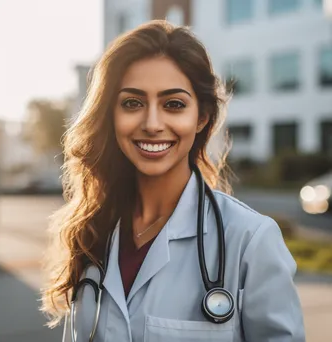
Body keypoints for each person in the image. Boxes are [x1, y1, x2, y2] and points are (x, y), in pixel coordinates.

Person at [41, 20, 305, 342]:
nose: (152, 124)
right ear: (110, 115)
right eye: (132, 103)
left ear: (202, 117)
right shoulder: (92, 232)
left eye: (174, 105)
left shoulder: (250, 240)